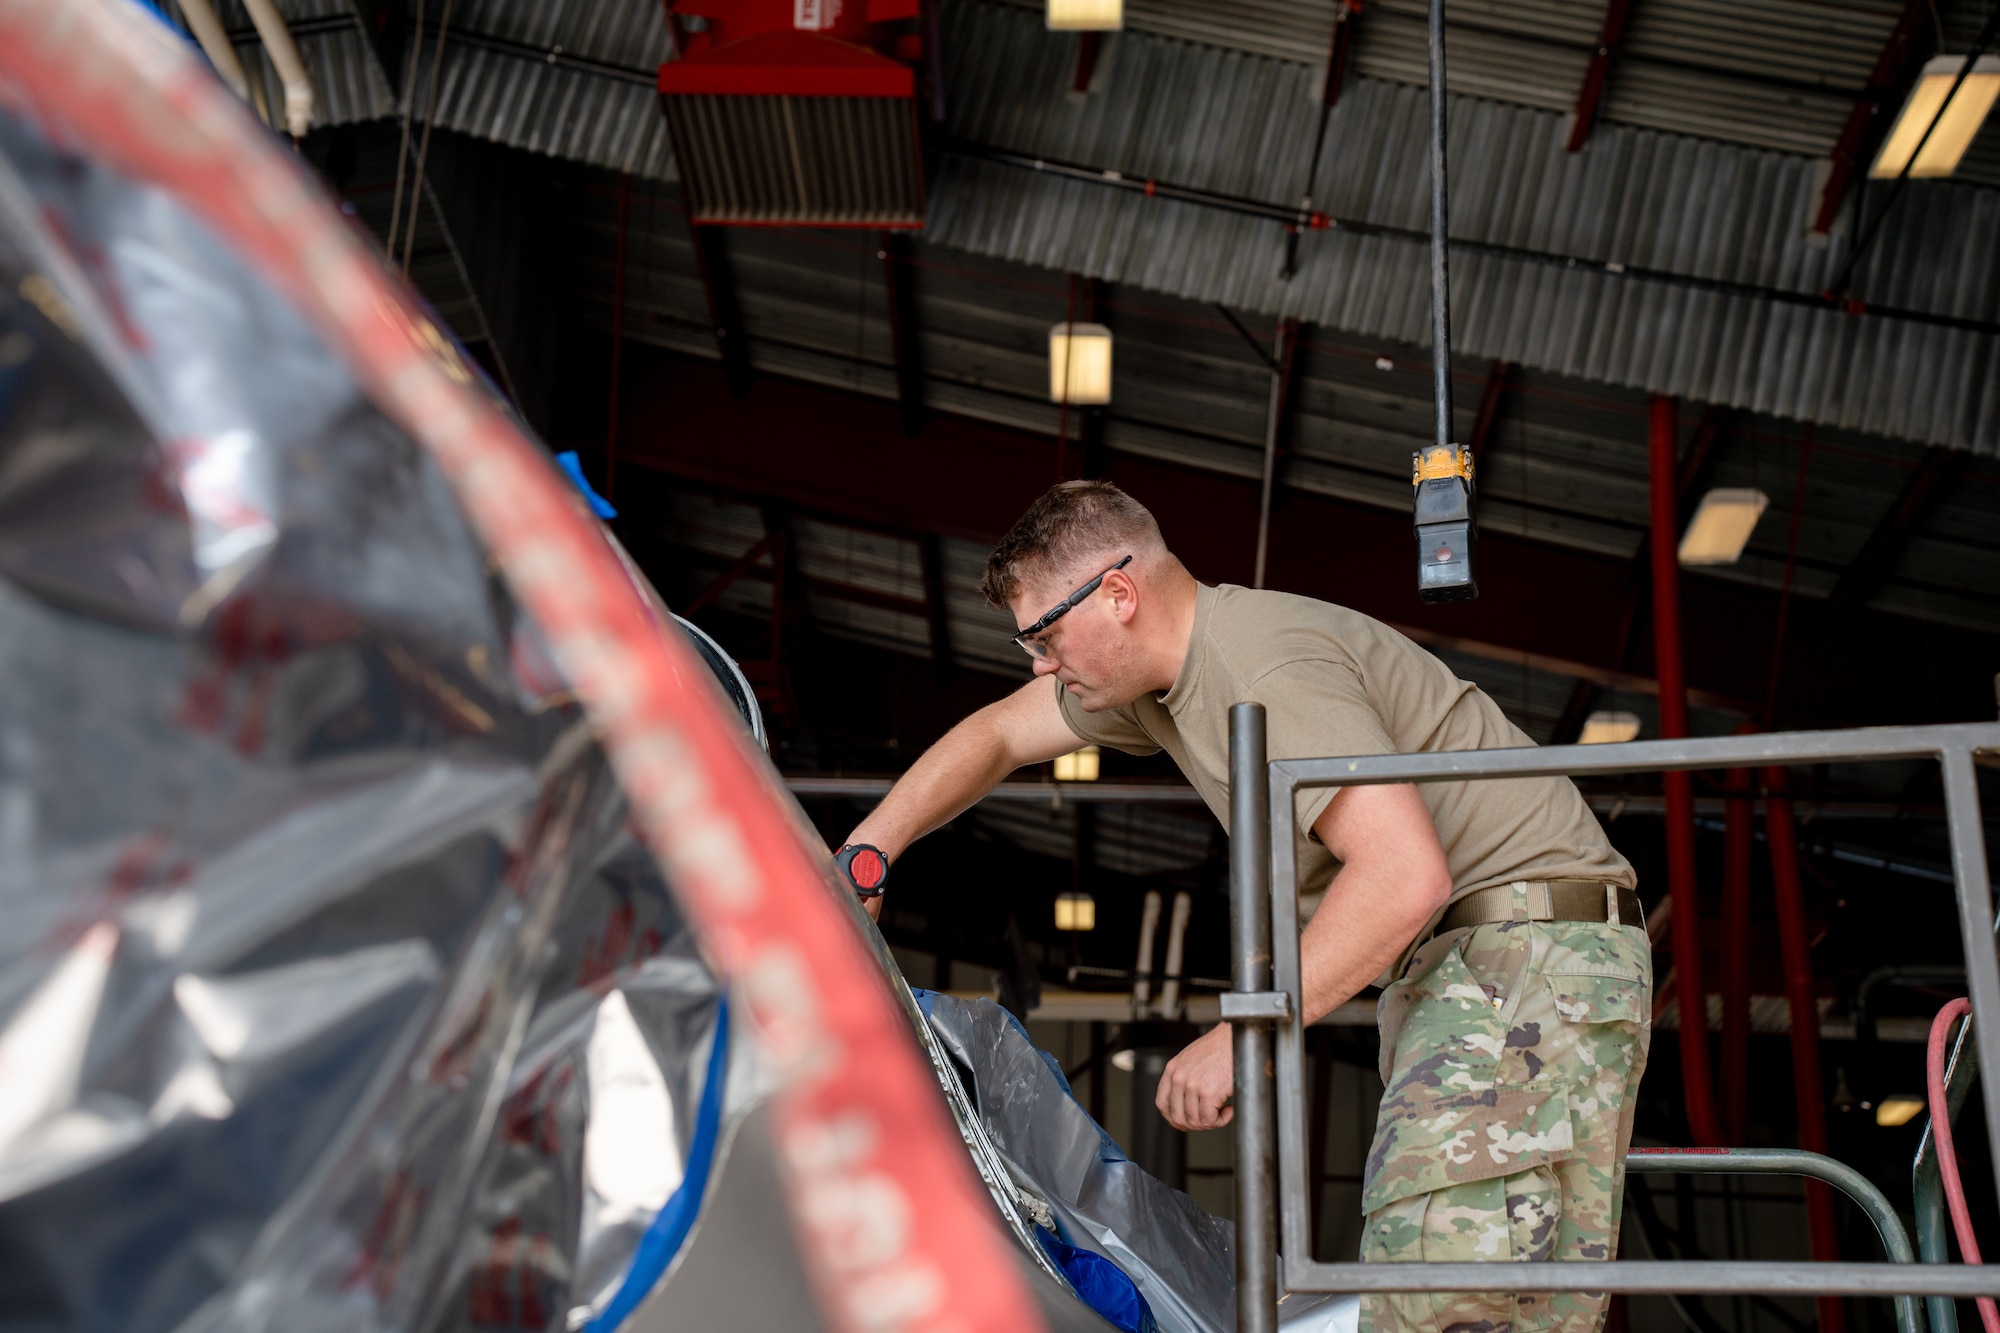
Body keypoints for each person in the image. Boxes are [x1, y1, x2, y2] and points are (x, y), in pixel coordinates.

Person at [838, 480, 1650, 1333]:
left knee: (1435, 1297)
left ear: (1118, 594)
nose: (1041, 663)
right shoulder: (1165, 689)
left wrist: (1242, 1032)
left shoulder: (1257, 666)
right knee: (1516, 1314)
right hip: (1533, 962)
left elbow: (1403, 875)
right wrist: (866, 854)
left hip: (1515, 959)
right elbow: (1000, 734)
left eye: (1046, 636)